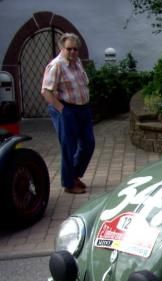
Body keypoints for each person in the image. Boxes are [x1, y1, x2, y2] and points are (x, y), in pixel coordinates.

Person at [41, 33, 94, 194]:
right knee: (68, 147)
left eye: (75, 49)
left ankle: (74, 175)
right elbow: (46, 92)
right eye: (69, 49)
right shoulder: (56, 65)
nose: (72, 52)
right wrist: (62, 110)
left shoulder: (76, 62)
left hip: (82, 108)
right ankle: (69, 184)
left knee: (88, 144)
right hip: (65, 109)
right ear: (61, 48)